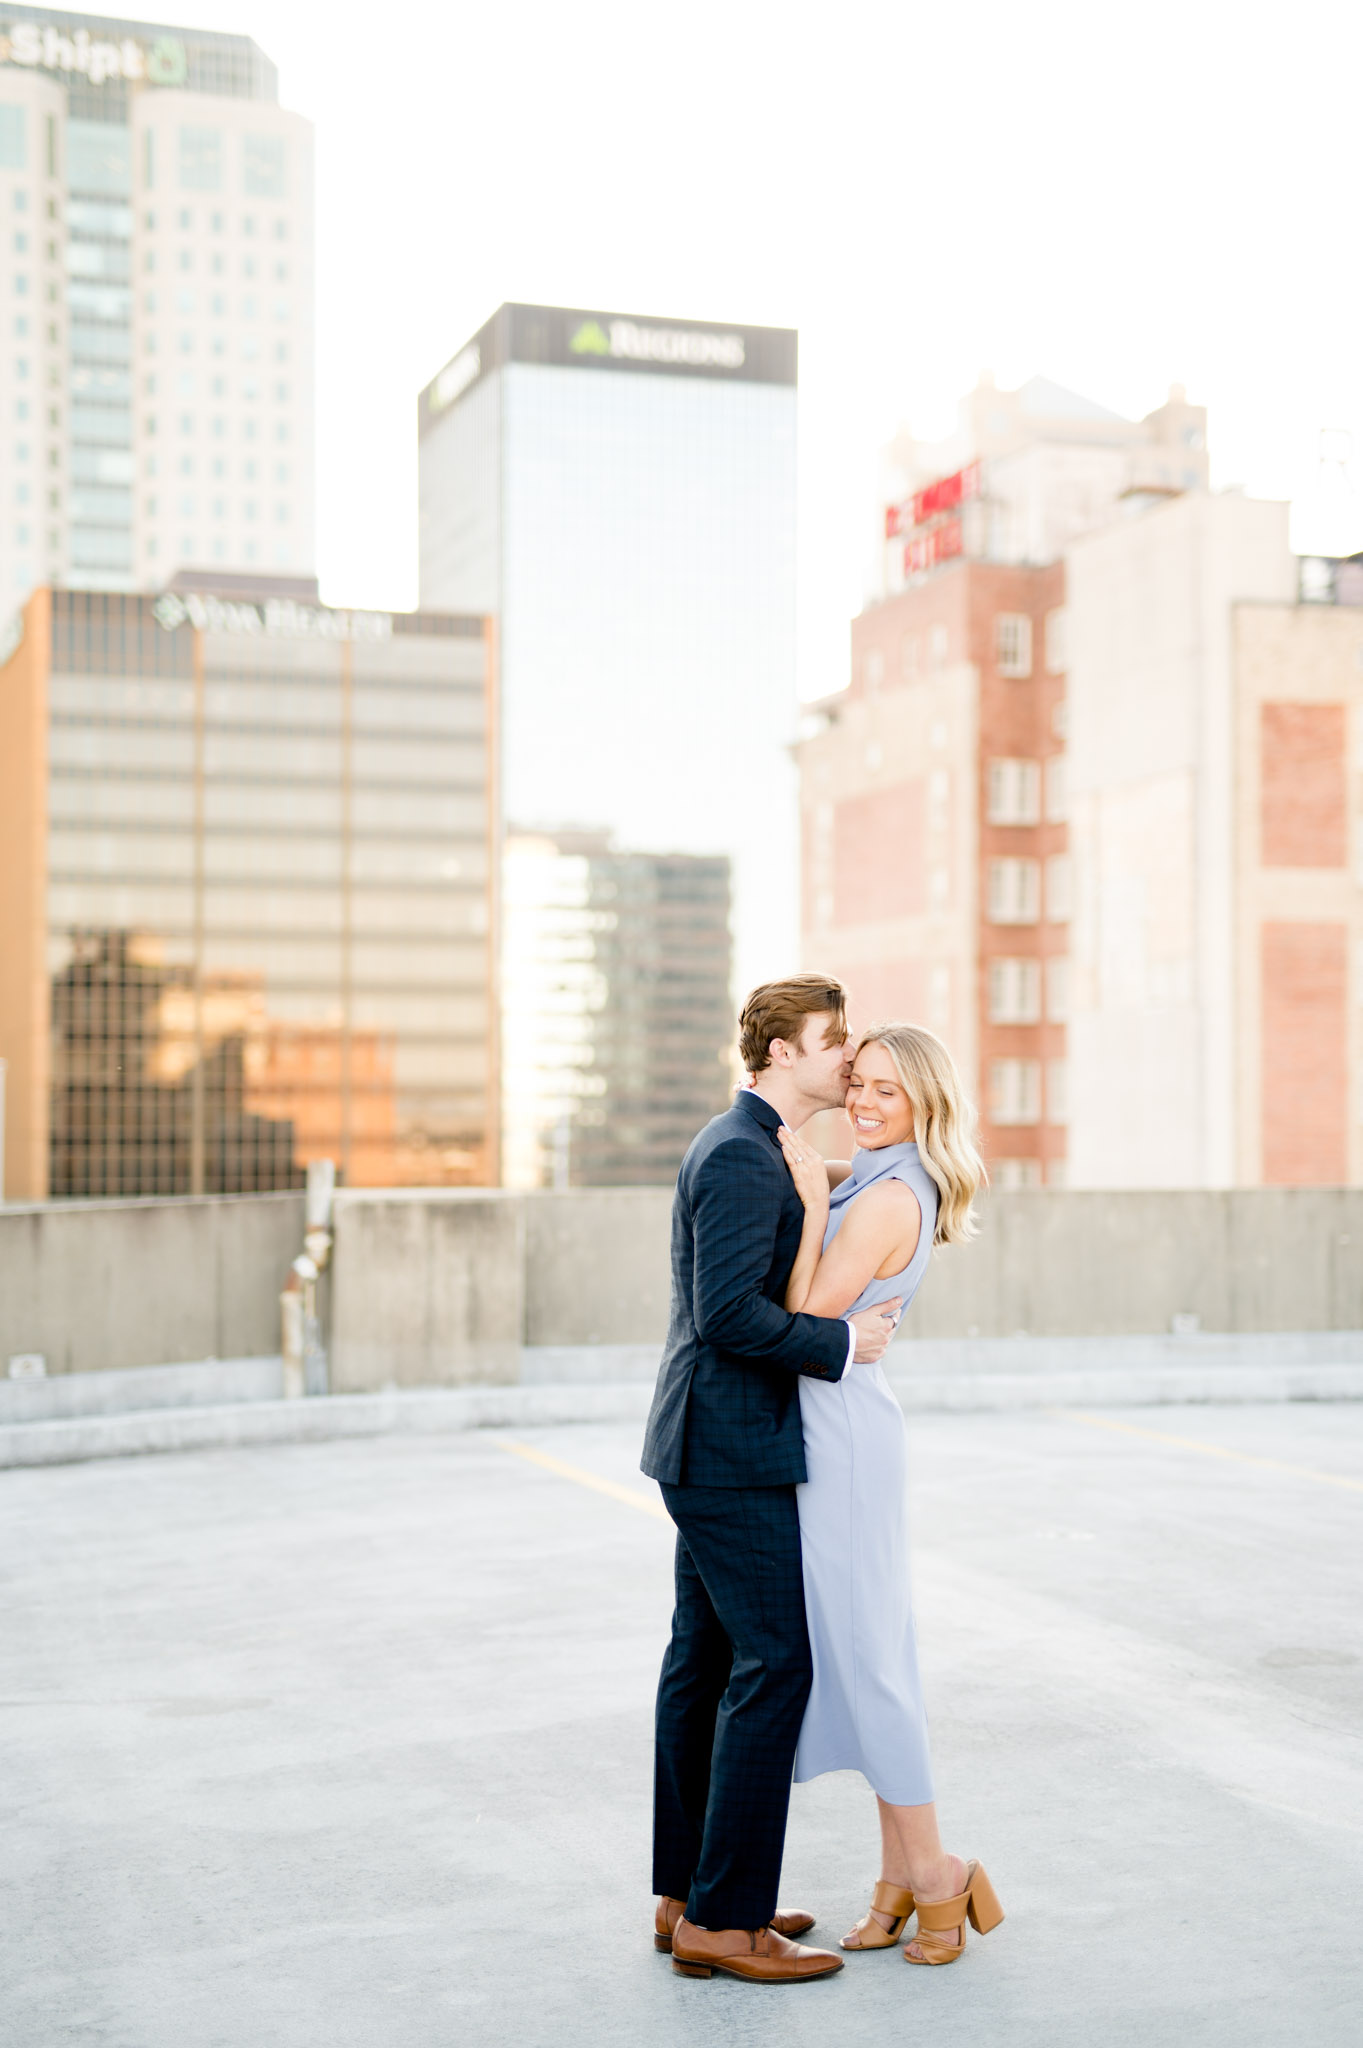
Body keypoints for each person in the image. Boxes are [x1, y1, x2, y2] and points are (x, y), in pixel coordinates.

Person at [640, 975, 903, 1985]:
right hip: (730, 1449)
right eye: (833, 1040)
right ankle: (731, 1922)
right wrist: (844, 1341)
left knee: (700, 1667)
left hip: (705, 1441)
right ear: (780, 1053)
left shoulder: (748, 1143)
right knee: (774, 1665)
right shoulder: (743, 1156)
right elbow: (729, 1318)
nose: (849, 1055)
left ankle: (690, 1897)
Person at [776, 1022, 1003, 1966]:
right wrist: (814, 1171)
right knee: (867, 1663)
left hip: (846, 1445)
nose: (864, 1104)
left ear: (924, 1107)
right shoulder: (870, 1174)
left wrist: (798, 1195)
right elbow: (834, 1173)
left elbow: (800, 1315)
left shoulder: (883, 1197)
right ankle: (902, 1878)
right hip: (838, 1429)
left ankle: (941, 1877)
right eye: (857, 1083)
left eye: (887, 1094)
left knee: (871, 1668)